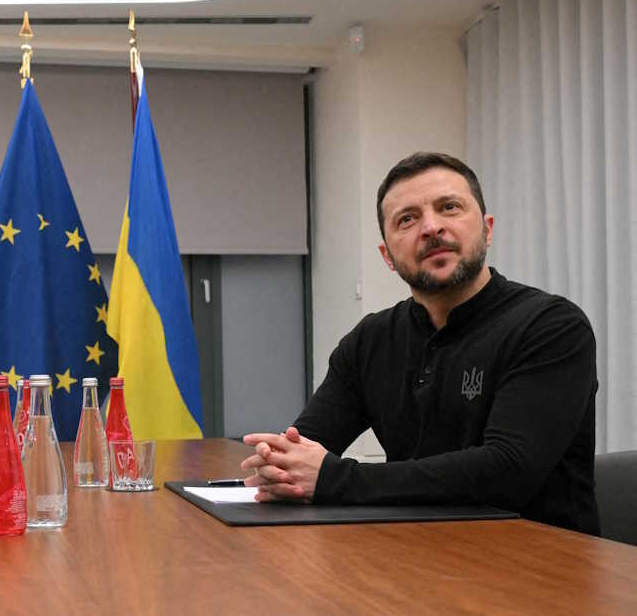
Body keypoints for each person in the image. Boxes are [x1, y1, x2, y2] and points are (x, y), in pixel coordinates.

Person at [242, 152, 599, 534]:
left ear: (487, 229)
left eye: (449, 207)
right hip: (412, 548)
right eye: (407, 219)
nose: (431, 227)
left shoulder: (551, 326)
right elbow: (302, 452)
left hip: (537, 557)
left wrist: (334, 478)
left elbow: (508, 472)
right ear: (387, 256)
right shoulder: (370, 340)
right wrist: (279, 465)